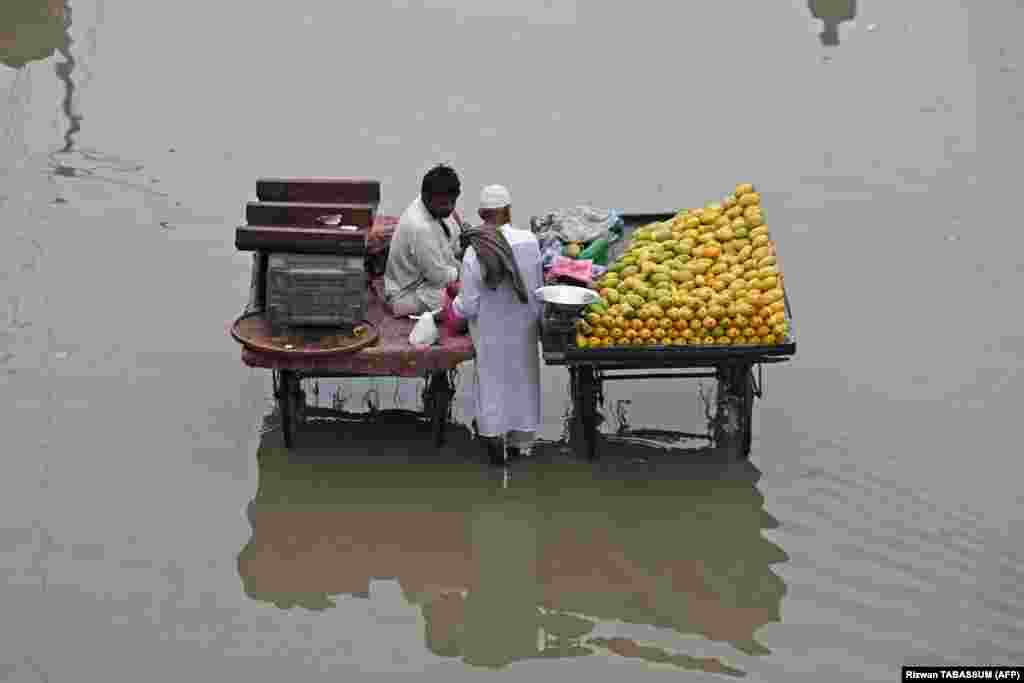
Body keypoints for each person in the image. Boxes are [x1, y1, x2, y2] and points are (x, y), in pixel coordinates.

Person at [447, 184, 544, 466]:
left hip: (490, 336)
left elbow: (468, 306)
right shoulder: (529, 242)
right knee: (523, 385)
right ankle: (520, 448)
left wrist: (447, 310)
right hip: (524, 331)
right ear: (509, 211)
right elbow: (537, 289)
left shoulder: (474, 251)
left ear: (481, 214)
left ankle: (495, 458)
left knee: (492, 389)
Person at [383, 164, 467, 316]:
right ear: (426, 197)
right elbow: (438, 277)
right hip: (407, 294)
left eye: (453, 202)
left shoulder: (436, 208)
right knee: (465, 302)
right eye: (444, 204)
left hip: (428, 279)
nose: (449, 208)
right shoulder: (421, 227)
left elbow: (452, 245)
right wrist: (464, 271)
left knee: (470, 290)